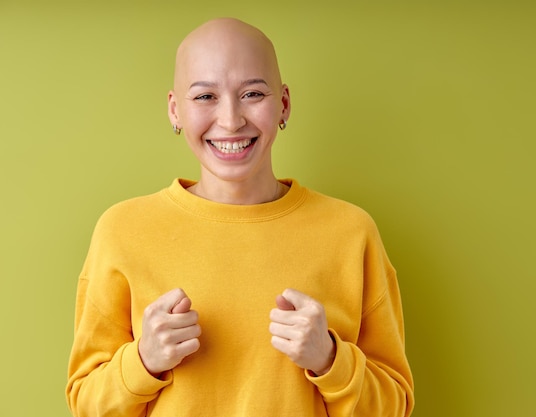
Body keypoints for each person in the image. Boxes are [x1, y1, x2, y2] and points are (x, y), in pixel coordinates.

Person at [66, 17, 414, 417]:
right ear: (175, 110)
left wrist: (331, 360)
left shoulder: (351, 232)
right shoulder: (122, 231)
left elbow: (395, 406)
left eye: (252, 93)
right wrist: (142, 362)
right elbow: (86, 404)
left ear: (283, 103)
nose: (231, 120)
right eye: (204, 97)